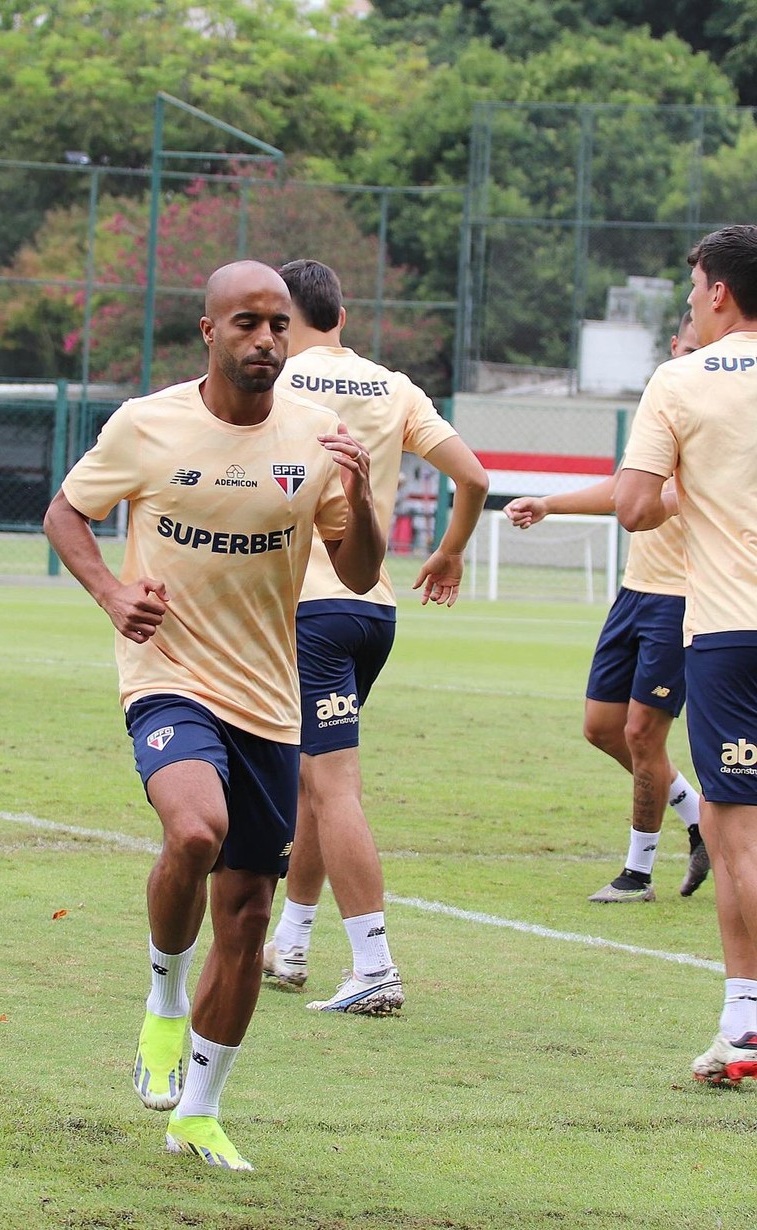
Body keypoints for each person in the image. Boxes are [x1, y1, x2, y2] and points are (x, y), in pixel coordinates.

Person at [43, 260, 384, 1171]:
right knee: (194, 832)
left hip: (270, 703)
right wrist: (115, 596)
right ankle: (162, 997)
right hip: (169, 677)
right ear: (209, 331)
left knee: (246, 915)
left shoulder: (318, 436)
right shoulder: (148, 425)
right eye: (246, 323)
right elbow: (66, 515)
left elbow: (354, 572)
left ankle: (197, 1110)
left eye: (278, 324)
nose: (266, 339)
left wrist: (365, 495)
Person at [262, 258, 488, 1013]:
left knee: (333, 785)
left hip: (312, 607)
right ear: (343, 316)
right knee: (314, 784)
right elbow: (476, 478)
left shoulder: (279, 381)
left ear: (284, 318)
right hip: (373, 609)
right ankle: (291, 944)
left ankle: (374, 966)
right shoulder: (392, 386)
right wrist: (451, 548)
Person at [614, 225, 757, 1085]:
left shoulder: (680, 378)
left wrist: (691, 481)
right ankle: (742, 1023)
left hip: (734, 633)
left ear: (717, 293)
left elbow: (634, 507)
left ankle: (746, 1021)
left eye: (696, 284)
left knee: (738, 838)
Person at [503, 313, 708, 904]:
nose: (695, 357)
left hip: (684, 598)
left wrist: (669, 494)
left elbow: (658, 499)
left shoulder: (721, 409)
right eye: (688, 348)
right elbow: (626, 489)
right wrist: (550, 503)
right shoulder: (665, 404)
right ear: (674, 347)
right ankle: (700, 819)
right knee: (602, 728)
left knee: (644, 734)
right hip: (635, 592)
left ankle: (637, 874)